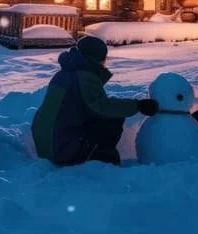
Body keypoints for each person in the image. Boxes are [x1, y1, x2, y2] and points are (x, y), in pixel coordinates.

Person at [32, 36, 159, 166]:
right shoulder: (84, 77)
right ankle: (102, 157)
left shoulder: (65, 74)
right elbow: (103, 108)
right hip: (62, 148)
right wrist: (138, 106)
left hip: (46, 144)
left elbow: (90, 105)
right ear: (97, 59)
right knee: (112, 119)